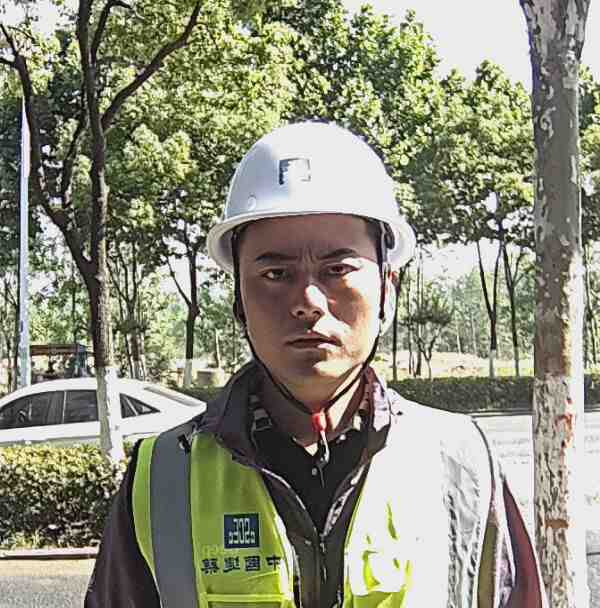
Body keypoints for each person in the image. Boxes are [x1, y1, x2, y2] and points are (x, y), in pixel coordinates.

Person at [85, 122, 546, 607]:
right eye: (275, 273)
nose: (308, 301)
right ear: (238, 298)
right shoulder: (163, 477)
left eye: (338, 269)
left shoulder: (460, 462)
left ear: (387, 287)